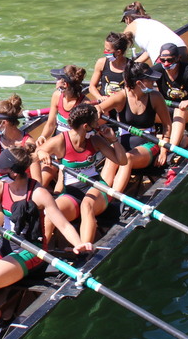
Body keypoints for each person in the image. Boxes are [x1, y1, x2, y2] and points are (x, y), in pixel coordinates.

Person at [0, 146, 93, 328]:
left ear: (14, 172)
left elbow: (62, 224)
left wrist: (79, 244)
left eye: (1, 169)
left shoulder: (39, 194)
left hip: (31, 248)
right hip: (7, 242)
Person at [36, 103, 126, 247]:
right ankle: (41, 251)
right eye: (95, 122)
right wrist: (41, 152)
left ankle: (84, 250)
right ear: (86, 126)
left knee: (86, 205)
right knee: (51, 212)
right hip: (71, 192)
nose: (98, 125)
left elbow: (122, 161)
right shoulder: (60, 141)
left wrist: (113, 139)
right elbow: (33, 155)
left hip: (96, 187)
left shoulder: (95, 140)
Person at [97, 62, 172, 194]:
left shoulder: (155, 97)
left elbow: (167, 125)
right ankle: (101, 196)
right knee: (111, 157)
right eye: (150, 80)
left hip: (149, 144)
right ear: (139, 83)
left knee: (127, 158)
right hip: (123, 142)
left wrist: (164, 151)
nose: (153, 83)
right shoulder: (121, 96)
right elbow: (98, 109)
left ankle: (114, 196)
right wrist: (97, 110)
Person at [37, 64, 91, 187]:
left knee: (57, 180)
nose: (55, 82)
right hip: (57, 142)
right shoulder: (57, 96)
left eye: (57, 79)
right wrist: (43, 136)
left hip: (73, 146)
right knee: (41, 177)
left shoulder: (84, 104)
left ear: (65, 84)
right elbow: (51, 123)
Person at [0, 94, 39, 189]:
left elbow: (37, 179)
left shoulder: (28, 143)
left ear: (4, 122)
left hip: (22, 188)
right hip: (0, 185)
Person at [120, 1, 186, 65]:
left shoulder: (133, 24)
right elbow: (148, 52)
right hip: (182, 50)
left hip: (165, 55)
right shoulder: (152, 22)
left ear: (128, 19)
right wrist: (133, 64)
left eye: (124, 21)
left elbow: (117, 43)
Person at [88, 32, 130, 102]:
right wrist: (100, 97)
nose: (105, 52)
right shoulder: (101, 63)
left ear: (118, 52)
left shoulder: (131, 67)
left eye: (108, 50)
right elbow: (92, 86)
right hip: (104, 103)